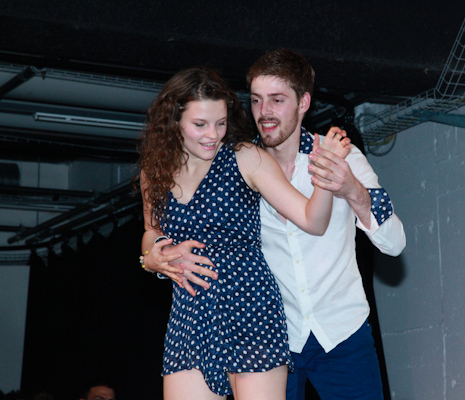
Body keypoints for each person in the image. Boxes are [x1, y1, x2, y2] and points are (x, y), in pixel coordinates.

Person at [149, 49, 406, 399]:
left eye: (277, 100)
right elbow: (167, 227)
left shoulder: (342, 157)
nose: (264, 112)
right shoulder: (238, 164)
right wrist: (154, 255)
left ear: (304, 103)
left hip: (341, 332)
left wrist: (351, 189)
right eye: (256, 100)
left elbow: (394, 242)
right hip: (275, 330)